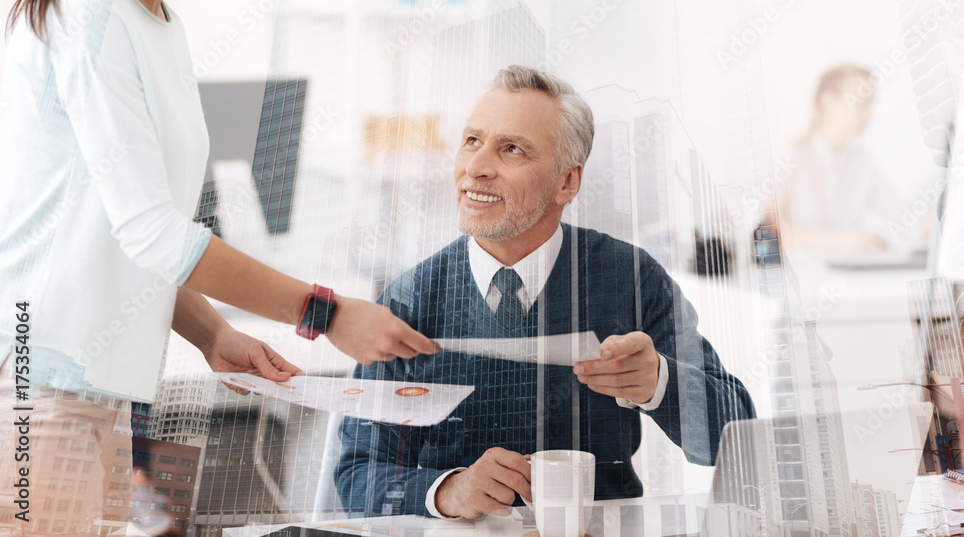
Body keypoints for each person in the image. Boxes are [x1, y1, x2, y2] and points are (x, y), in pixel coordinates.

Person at [0, 0, 437, 533]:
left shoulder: (159, 26)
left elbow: (124, 235)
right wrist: (326, 311)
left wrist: (215, 336)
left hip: (102, 388)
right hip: (41, 377)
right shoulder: (87, 7)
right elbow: (153, 234)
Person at [335, 66, 755, 519]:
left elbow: (739, 440)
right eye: (472, 141)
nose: (474, 168)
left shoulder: (629, 278)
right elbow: (358, 473)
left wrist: (658, 383)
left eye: (511, 149)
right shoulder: (411, 298)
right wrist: (447, 491)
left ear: (567, 182)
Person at [777, 64, 905, 252]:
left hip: (848, 277)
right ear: (829, 102)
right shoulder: (790, 159)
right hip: (802, 274)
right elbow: (765, 235)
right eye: (862, 104)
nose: (869, 114)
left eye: (871, 105)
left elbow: (905, 217)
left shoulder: (861, 161)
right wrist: (836, 241)